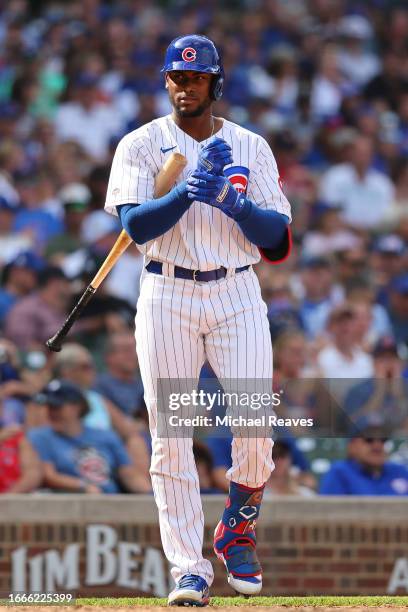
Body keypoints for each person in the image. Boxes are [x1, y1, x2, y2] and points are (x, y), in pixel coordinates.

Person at [104, 35, 292, 605]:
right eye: (177, 78)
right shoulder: (141, 144)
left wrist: (239, 206)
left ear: (215, 82)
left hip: (236, 288)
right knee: (171, 438)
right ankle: (189, 568)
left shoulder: (249, 146)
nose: (186, 87)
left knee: (256, 423)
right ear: (167, 82)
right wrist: (186, 191)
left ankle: (236, 525)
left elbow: (279, 241)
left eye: (197, 78)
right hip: (167, 291)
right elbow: (136, 229)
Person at [28, 380, 148, 494]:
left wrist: (151, 494)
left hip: (110, 502)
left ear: (77, 407)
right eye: (49, 407)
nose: (51, 412)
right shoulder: (40, 437)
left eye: (57, 407)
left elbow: (129, 474)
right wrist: (83, 486)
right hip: (67, 504)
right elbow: (48, 476)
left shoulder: (105, 436)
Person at [319, 424, 408, 495]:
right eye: (369, 440)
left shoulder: (399, 471)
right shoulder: (340, 472)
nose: (377, 445)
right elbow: (328, 513)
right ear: (352, 446)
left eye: (383, 440)